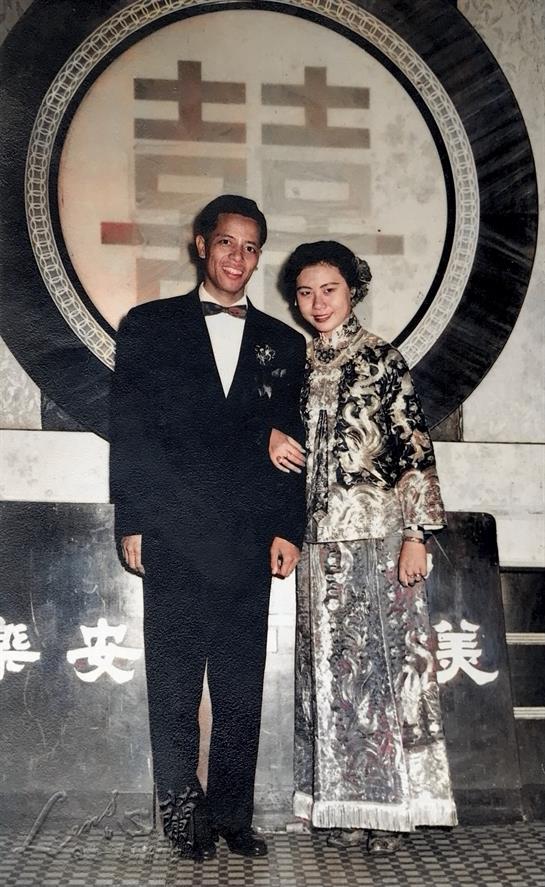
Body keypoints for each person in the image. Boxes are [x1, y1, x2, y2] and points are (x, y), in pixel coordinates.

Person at [109, 195, 306, 861]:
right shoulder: (148, 325)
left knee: (240, 686)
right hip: (170, 531)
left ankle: (231, 814)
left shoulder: (284, 343)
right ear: (201, 244)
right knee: (173, 684)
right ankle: (181, 815)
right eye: (226, 243)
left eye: (251, 248)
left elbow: (291, 441)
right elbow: (131, 432)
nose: (238, 259)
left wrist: (288, 528)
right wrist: (131, 519)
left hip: (248, 538)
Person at [270, 240, 457, 854]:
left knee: (383, 676)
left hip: (378, 540)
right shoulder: (298, 365)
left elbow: (413, 450)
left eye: (330, 289)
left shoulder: (381, 358)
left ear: (353, 289)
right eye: (305, 292)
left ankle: (390, 811)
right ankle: (347, 800)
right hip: (318, 547)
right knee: (333, 679)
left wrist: (415, 536)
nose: (317, 303)